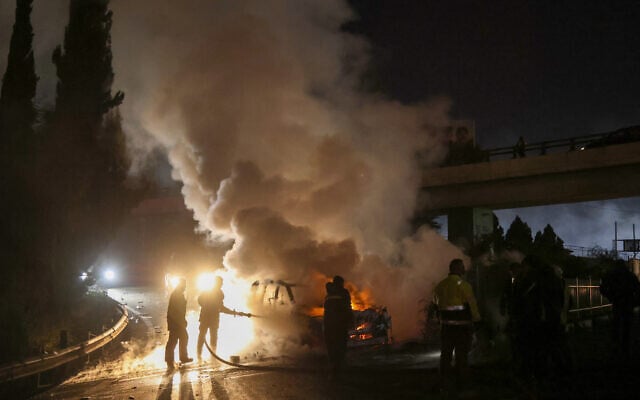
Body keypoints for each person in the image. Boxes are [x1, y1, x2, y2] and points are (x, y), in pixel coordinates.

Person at [432, 259, 481, 384]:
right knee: (462, 356)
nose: (464, 269)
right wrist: (477, 321)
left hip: (446, 328)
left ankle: (443, 381)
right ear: (457, 269)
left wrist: (438, 320)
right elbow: (472, 305)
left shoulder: (440, 285)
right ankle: (463, 382)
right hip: (462, 328)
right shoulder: (464, 285)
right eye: (462, 267)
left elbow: (435, 305)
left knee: (446, 355)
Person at [600, 260, 640, 358]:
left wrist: (611, 297)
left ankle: (616, 349)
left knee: (616, 326)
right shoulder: (630, 276)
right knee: (627, 327)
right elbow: (638, 290)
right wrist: (635, 302)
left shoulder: (611, 275)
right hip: (628, 304)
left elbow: (602, 288)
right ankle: (626, 351)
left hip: (617, 303)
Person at [196, 276, 239, 361]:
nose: (221, 284)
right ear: (217, 283)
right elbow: (200, 300)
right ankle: (199, 356)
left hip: (212, 318)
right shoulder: (208, 292)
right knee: (202, 336)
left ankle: (213, 355)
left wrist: (234, 312)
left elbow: (221, 308)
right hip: (207, 317)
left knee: (213, 336)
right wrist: (207, 306)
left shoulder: (219, 293)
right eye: (220, 283)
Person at [323, 275, 353, 379]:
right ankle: (339, 368)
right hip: (340, 324)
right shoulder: (344, 292)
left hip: (328, 324)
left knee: (331, 346)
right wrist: (351, 321)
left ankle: (332, 368)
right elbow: (348, 307)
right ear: (340, 283)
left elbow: (326, 309)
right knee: (340, 345)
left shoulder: (329, 293)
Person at [165, 278, 193, 370]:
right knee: (173, 341)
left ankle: (181, 358)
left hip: (177, 322)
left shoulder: (178, 294)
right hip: (175, 323)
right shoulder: (177, 295)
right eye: (184, 285)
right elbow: (175, 311)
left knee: (183, 338)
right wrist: (181, 321)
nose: (185, 287)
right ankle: (170, 361)